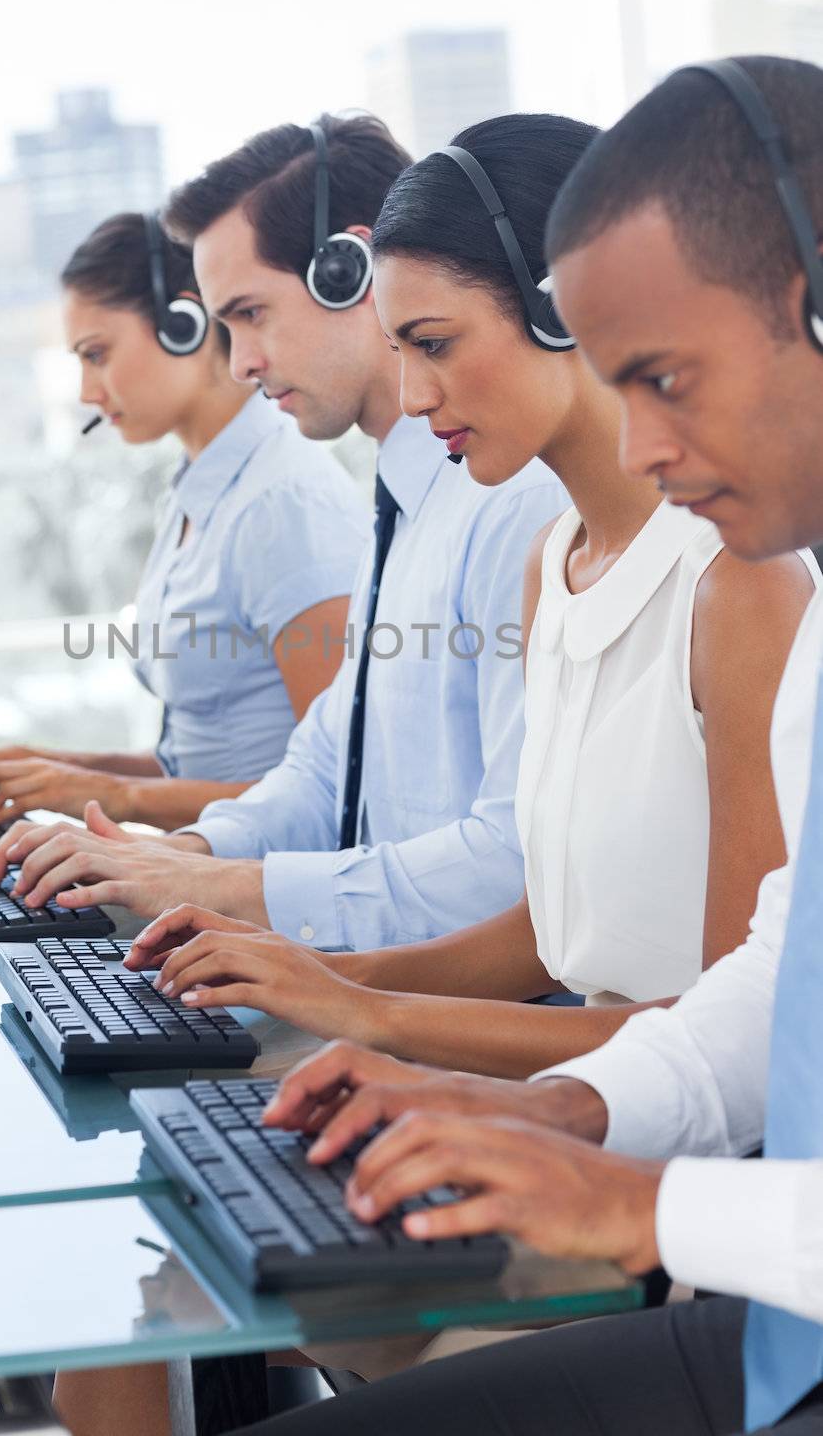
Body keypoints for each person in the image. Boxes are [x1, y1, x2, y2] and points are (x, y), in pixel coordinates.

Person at [226, 55, 823, 1436]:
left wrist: (638, 1197)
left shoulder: (755, 597)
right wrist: (564, 1113)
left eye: (664, 378)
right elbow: (765, 993)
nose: (647, 443)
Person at [112, 111, 817, 1088]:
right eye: (400, 347)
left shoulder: (736, 583)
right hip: (570, 1096)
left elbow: (731, 1035)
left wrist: (369, 1011)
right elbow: (547, 928)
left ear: (562, 306)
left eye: (434, 342)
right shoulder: (553, 560)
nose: (408, 395)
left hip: (661, 1145)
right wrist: (324, 983)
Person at [0, 113, 570, 945]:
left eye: (251, 315)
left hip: (454, 1008)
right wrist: (180, 857)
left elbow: (513, 868)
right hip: (378, 978)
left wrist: (206, 877)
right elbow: (327, 763)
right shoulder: (403, 505)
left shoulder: (509, 503)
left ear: (347, 270)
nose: (241, 360)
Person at [0, 212, 367, 832]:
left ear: (185, 325)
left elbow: (339, 788)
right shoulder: (195, 495)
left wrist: (105, 794)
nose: (88, 392)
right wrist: (54, 770)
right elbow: (197, 760)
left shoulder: (284, 505)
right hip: (195, 878)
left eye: (97, 355)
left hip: (265, 904)